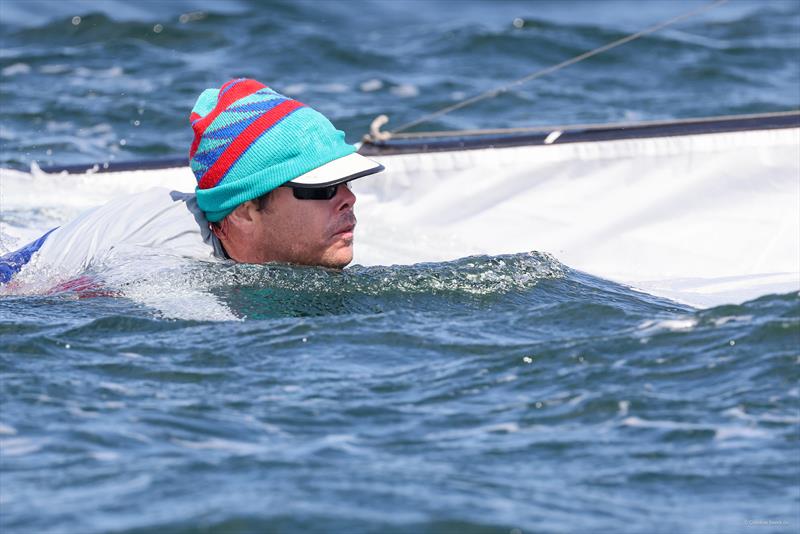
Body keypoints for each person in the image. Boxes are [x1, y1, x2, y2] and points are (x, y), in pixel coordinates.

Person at [0, 78, 384, 285]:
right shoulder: (167, 263)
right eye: (322, 189)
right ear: (246, 211)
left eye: (348, 181)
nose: (348, 199)